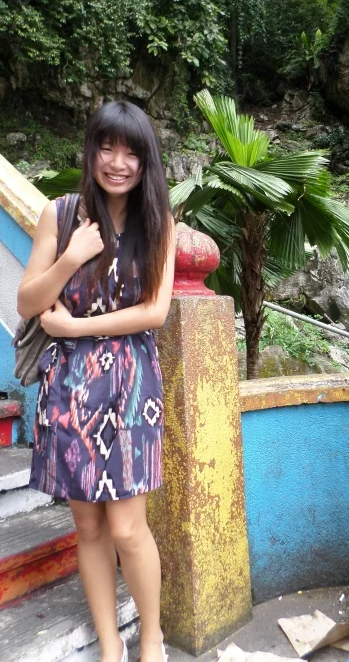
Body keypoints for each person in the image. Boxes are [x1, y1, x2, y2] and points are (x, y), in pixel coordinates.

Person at [17, 101, 176, 662]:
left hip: (133, 389)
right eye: (107, 147)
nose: (118, 162)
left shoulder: (159, 221)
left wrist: (76, 326)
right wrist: (68, 260)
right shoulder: (60, 216)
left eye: (132, 151)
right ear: (91, 150)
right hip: (69, 392)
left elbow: (155, 312)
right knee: (88, 527)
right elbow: (28, 301)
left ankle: (150, 639)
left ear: (146, 161)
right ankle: (111, 645)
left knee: (129, 528)